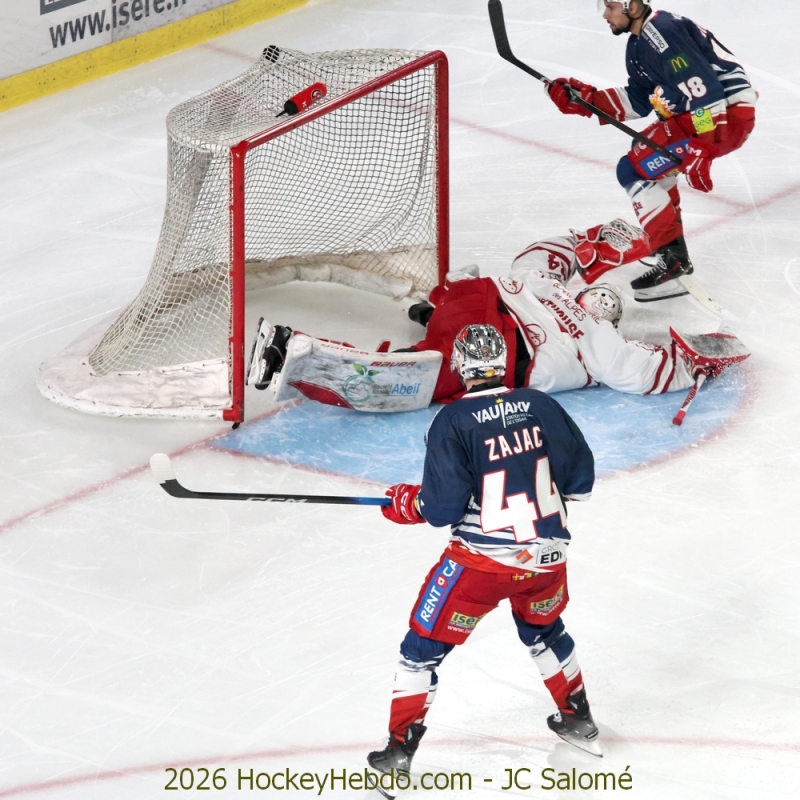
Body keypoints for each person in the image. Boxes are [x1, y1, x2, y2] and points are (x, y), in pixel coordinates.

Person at [366, 324, 600, 782]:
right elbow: (580, 483)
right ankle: (578, 718)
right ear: (502, 361)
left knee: (422, 650)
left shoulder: (452, 420)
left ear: (460, 366)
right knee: (545, 632)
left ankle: (397, 753)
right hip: (547, 560)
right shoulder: (542, 404)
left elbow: (442, 509)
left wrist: (408, 503)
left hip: (482, 565)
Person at [248, 220, 738, 411]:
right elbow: (638, 370)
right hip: (498, 347)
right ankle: (296, 353)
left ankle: (423, 310)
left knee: (435, 340)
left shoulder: (549, 284)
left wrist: (589, 240)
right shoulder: (598, 338)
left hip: (471, 298)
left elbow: (541, 252)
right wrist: (695, 358)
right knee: (417, 379)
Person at [546, 1, 757, 300]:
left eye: (610, 6)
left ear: (632, 5)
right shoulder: (638, 42)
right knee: (645, 158)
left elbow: (706, 93)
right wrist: (585, 100)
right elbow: (639, 100)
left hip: (721, 117)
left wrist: (703, 147)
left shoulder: (661, 32)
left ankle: (674, 260)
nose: (605, 14)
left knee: (632, 169)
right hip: (702, 118)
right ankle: (671, 250)